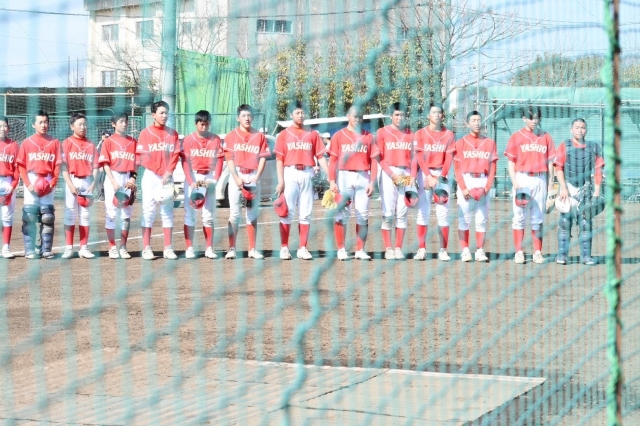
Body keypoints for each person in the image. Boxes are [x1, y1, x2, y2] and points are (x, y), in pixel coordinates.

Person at [274, 101, 329, 260]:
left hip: (307, 173)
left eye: (303, 112)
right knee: (287, 212)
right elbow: (279, 159)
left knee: (306, 213)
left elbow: (320, 157)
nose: (300, 115)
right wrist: (280, 181)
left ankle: (302, 248)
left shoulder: (313, 134)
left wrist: (330, 175)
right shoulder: (284, 134)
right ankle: (284, 248)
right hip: (290, 173)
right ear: (291, 114)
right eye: (297, 112)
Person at [504, 106, 556, 264]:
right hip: (522, 178)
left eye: (536, 117)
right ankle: (519, 252)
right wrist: (514, 181)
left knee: (538, 218)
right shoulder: (516, 136)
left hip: (540, 178)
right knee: (519, 217)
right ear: (524, 118)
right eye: (530, 117)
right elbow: (511, 161)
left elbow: (551, 163)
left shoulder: (546, 137)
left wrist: (550, 184)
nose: (534, 121)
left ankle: (537, 252)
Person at [328, 105, 380, 261]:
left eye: (360, 116)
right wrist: (332, 181)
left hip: (363, 176)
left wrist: (372, 182)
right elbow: (333, 160)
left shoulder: (369, 136)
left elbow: (374, 161)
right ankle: (341, 249)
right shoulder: (339, 135)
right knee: (342, 213)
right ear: (348, 116)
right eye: (355, 116)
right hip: (344, 175)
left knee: (362, 215)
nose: (358, 119)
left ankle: (360, 250)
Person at [223, 104, 270, 259]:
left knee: (252, 214)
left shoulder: (259, 136)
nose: (247, 118)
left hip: (253, 176)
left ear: (253, 117)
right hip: (237, 174)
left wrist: (256, 178)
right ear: (238, 118)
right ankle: (232, 249)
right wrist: (236, 177)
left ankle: (252, 249)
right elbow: (229, 158)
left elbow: (263, 158)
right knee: (234, 214)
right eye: (243, 115)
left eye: (249, 115)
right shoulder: (231, 136)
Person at [554, 118, 603, 265]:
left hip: (585, 188)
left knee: (585, 222)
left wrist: (597, 192)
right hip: (568, 187)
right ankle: (562, 255)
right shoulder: (565, 145)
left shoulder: (593, 147)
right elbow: (558, 168)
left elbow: (598, 170)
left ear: (586, 130)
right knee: (565, 221)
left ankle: (586, 256)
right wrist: (563, 188)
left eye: (582, 127)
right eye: (577, 127)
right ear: (571, 129)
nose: (580, 130)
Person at [136, 100, 181, 260]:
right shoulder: (145, 133)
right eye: (161, 112)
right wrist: (163, 172)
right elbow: (144, 158)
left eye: (166, 112)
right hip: (151, 177)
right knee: (148, 211)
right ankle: (146, 248)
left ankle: (168, 248)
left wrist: (168, 172)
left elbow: (175, 155)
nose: (164, 115)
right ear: (153, 115)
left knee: (167, 212)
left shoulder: (173, 133)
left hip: (168, 177)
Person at [411, 103, 455, 261]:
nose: (437, 115)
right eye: (434, 112)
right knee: (423, 213)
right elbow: (419, 157)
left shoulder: (449, 134)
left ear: (443, 115)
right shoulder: (420, 133)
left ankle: (443, 250)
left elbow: (449, 158)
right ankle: (421, 249)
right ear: (428, 115)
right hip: (425, 173)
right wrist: (428, 176)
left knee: (443, 214)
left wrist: (441, 176)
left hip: (442, 174)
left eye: (439, 112)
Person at [453, 110, 498, 262]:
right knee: (464, 219)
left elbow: (493, 168)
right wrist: (463, 187)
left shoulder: (490, 143)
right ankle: (465, 250)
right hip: (467, 180)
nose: (477, 123)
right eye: (473, 120)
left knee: (481, 219)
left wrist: (487, 187)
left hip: (482, 180)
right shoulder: (460, 143)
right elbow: (457, 168)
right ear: (467, 124)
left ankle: (480, 250)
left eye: (479, 120)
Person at [17, 110, 62, 259]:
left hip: (48, 179)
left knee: (48, 216)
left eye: (46, 122)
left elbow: (57, 166)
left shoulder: (54, 142)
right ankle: (29, 250)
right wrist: (28, 184)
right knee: (29, 216)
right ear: (33, 124)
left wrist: (53, 183)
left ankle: (46, 249)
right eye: (40, 122)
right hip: (32, 178)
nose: (44, 125)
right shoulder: (27, 142)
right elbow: (21, 166)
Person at [180, 110, 224, 259]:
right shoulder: (188, 139)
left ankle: (209, 248)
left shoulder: (215, 139)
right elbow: (185, 162)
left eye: (207, 124)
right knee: (190, 214)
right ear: (196, 124)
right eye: (201, 124)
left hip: (209, 177)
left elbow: (220, 160)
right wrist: (191, 181)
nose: (204, 127)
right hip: (193, 176)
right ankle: (189, 248)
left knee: (209, 215)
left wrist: (215, 180)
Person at [376, 102, 414, 260]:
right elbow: (379, 157)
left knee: (402, 212)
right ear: (391, 116)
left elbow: (414, 158)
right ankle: (388, 248)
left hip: (405, 173)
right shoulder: (382, 132)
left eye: (402, 115)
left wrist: (412, 176)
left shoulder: (411, 134)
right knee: (388, 213)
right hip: (388, 172)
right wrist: (392, 175)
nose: (399, 117)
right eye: (396, 115)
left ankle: (398, 248)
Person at [99, 111, 138, 259]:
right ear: (113, 124)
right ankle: (112, 247)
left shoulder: (133, 141)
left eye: (125, 121)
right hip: (113, 177)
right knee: (111, 213)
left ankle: (123, 247)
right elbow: (105, 164)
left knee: (126, 214)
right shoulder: (108, 141)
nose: (124, 123)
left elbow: (136, 164)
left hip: (127, 178)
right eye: (121, 121)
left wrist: (133, 179)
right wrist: (113, 181)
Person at [61, 112, 99, 259]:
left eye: (85, 124)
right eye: (80, 124)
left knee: (85, 215)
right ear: (72, 126)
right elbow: (63, 167)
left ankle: (84, 248)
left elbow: (95, 166)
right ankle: (68, 248)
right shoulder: (67, 143)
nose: (83, 127)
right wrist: (70, 185)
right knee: (70, 213)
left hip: (87, 181)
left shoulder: (91, 144)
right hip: (72, 179)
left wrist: (93, 184)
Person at [0, 115, 19, 258]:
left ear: (8, 128)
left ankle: (6, 247)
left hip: (7, 182)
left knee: (7, 216)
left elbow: (17, 169)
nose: (2, 128)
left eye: (4, 126)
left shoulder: (13, 145)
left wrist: (13, 185)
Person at [95, 130, 111, 201]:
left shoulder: (105, 143)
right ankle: (102, 197)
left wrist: (101, 165)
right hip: (104, 165)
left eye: (106, 136)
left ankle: (102, 197)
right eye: (104, 136)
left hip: (105, 165)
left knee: (101, 181)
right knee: (100, 181)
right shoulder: (101, 142)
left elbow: (101, 155)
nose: (105, 137)